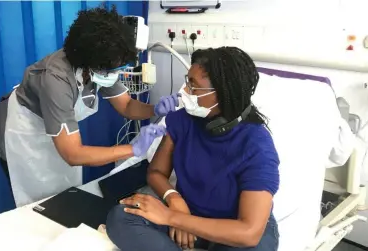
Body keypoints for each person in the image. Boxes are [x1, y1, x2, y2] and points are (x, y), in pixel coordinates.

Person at [0, 5, 178, 207]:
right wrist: (133, 149)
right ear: (93, 64)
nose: (117, 73)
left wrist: (155, 109)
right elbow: (73, 154)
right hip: (26, 134)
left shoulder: (103, 64)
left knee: (64, 195)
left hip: (60, 134)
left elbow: (126, 106)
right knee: (36, 204)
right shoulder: (56, 79)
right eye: (115, 68)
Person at [106, 47, 281, 251]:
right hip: (189, 213)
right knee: (121, 217)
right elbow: (156, 172)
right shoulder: (182, 120)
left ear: (222, 93)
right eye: (187, 80)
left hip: (235, 229)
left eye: (193, 86)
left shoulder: (256, 144)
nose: (183, 92)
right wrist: (174, 199)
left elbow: (249, 232)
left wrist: (174, 218)